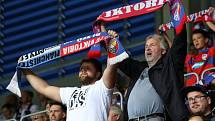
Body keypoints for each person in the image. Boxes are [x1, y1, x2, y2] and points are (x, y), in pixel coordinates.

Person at [21, 25, 120, 121]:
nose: (83, 70)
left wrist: (113, 43)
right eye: (81, 69)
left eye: (87, 68)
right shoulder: (70, 93)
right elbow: (43, 88)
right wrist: (25, 69)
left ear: (98, 74)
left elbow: (112, 64)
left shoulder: (102, 87)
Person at [118, 23, 189, 120]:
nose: (148, 47)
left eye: (152, 45)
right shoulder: (139, 68)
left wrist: (176, 10)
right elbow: (120, 59)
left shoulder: (169, 67)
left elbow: (179, 44)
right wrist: (110, 40)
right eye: (146, 46)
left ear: (163, 50)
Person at [185, 7, 215, 86]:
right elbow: (174, 55)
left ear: (206, 40)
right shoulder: (190, 57)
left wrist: (208, 20)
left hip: (207, 86)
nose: (196, 41)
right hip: (192, 90)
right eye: (194, 39)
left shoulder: (212, 51)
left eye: (199, 38)